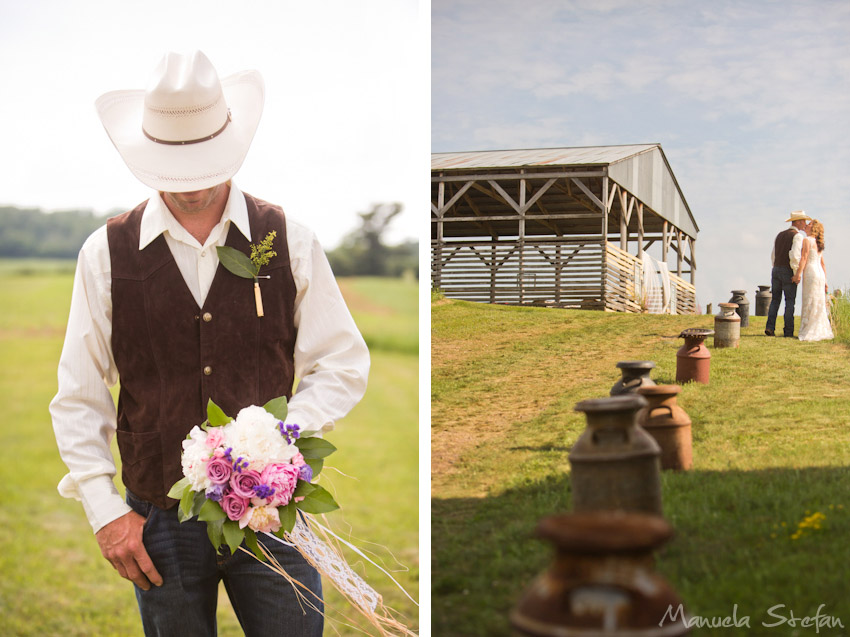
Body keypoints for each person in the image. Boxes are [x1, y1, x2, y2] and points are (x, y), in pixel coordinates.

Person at [49, 50, 370, 636]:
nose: (190, 188)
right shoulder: (105, 254)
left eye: (203, 168)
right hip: (158, 521)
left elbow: (342, 363)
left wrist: (280, 437)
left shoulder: (289, 240)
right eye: (174, 173)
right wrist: (104, 511)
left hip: (274, 516)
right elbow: (78, 391)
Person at [765, 210, 810, 337]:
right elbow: (795, 256)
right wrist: (796, 273)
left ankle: (770, 327)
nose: (805, 224)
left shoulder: (779, 235)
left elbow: (773, 255)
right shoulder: (798, 236)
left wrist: (775, 266)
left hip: (776, 269)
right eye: (804, 221)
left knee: (775, 300)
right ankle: (788, 330)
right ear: (799, 221)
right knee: (789, 301)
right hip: (788, 269)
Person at [794, 219, 834, 342]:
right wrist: (825, 281)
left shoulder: (807, 240)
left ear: (813, 228)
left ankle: (809, 329)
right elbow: (823, 264)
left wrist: (798, 274)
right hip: (820, 275)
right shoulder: (818, 243)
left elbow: (804, 258)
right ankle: (819, 328)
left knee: (810, 299)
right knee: (818, 300)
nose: (806, 225)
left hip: (811, 272)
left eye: (809, 224)